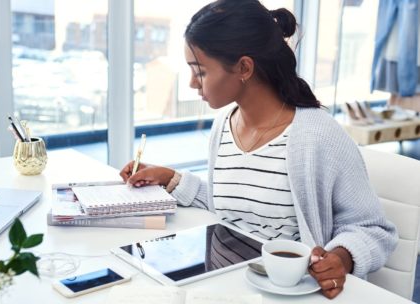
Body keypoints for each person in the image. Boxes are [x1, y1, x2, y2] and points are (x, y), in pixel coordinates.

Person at [120, 0, 398, 299]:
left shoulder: (318, 136)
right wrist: (170, 178)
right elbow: (235, 205)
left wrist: (341, 257)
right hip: (222, 286)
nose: (191, 83)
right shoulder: (223, 125)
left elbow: (373, 228)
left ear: (243, 67)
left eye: (199, 71)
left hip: (286, 293)